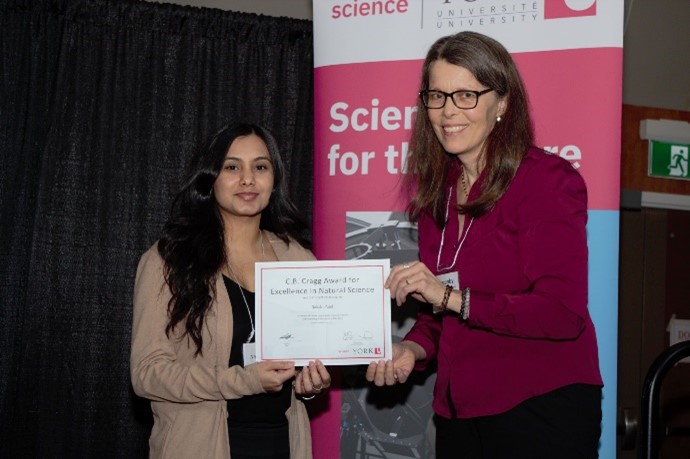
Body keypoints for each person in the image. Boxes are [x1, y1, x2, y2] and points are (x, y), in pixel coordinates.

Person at [365, 31, 603, 458]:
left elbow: (562, 313)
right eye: (436, 96)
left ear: (502, 104)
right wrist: (411, 349)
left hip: (539, 407)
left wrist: (451, 297)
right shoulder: (437, 194)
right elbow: (441, 312)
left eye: (466, 95)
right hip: (459, 413)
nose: (447, 111)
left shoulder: (545, 182)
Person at [131, 122, 330, 459]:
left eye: (261, 167)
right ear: (211, 178)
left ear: (274, 179)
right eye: (232, 166)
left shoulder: (298, 259)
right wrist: (244, 380)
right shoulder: (169, 260)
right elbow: (147, 374)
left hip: (281, 444)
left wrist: (309, 386)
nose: (248, 178)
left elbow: (305, 365)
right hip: (196, 446)